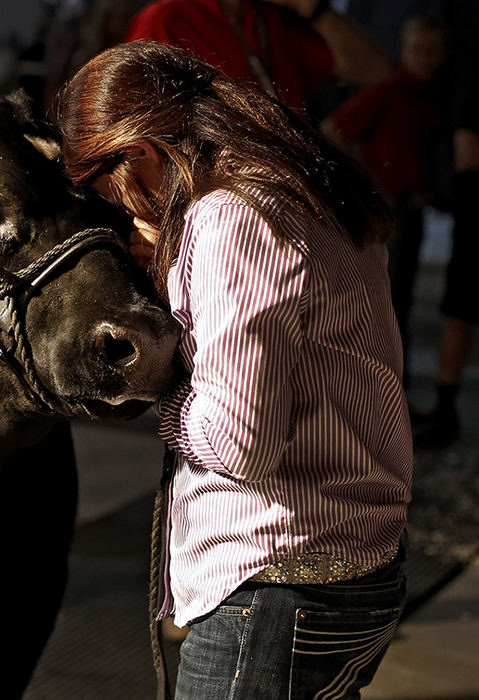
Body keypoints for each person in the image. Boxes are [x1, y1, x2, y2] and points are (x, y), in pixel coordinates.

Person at [57, 42, 412, 698]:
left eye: (96, 182)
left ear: (137, 152)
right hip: (351, 567)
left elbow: (238, 442)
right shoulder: (293, 180)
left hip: (276, 583)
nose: (107, 200)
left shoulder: (230, 216)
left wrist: (159, 387)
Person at [323, 16, 446, 387]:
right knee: (385, 303)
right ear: (404, 51)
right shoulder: (389, 89)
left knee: (399, 298)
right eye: (417, 50)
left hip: (413, 206)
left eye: (431, 52)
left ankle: (391, 388)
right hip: (388, 208)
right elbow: (334, 129)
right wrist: (361, 185)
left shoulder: (430, 96)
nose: (424, 59)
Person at [124, 0, 392, 115]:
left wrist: (312, 8)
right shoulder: (164, 20)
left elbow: (376, 72)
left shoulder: (273, 17)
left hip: (292, 197)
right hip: (219, 209)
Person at [413, 66, 479, 448]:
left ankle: (445, 411)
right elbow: (467, 159)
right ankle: (445, 410)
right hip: (474, 219)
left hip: (471, 214)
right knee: (460, 314)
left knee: (460, 314)